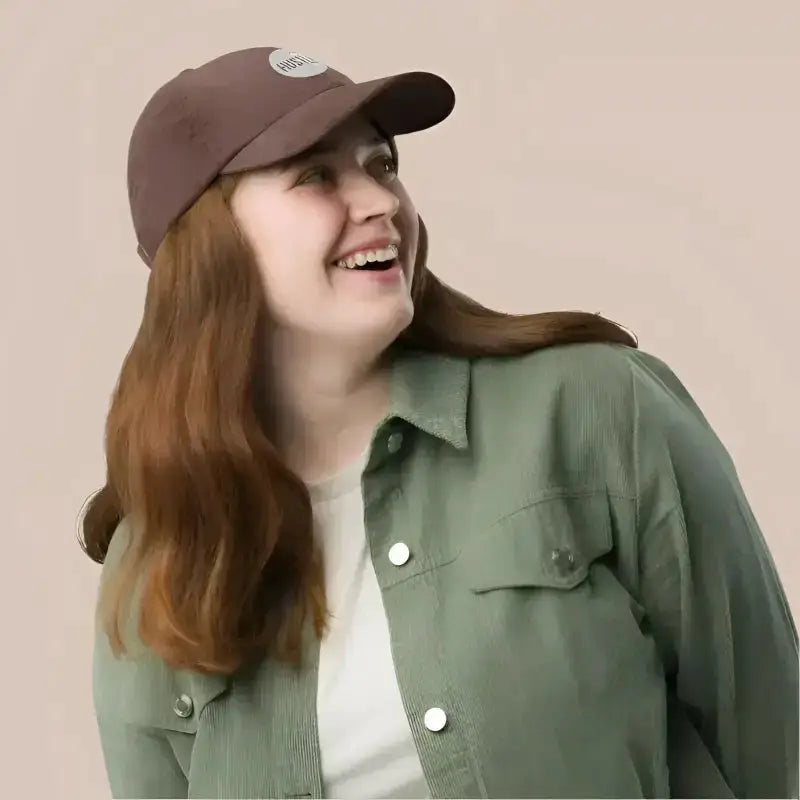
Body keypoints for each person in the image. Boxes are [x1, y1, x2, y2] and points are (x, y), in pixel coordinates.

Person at [80, 46, 798, 799]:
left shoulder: (594, 411)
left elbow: (771, 744)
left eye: (381, 164)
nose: (381, 201)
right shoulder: (155, 564)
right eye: (317, 175)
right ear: (207, 249)